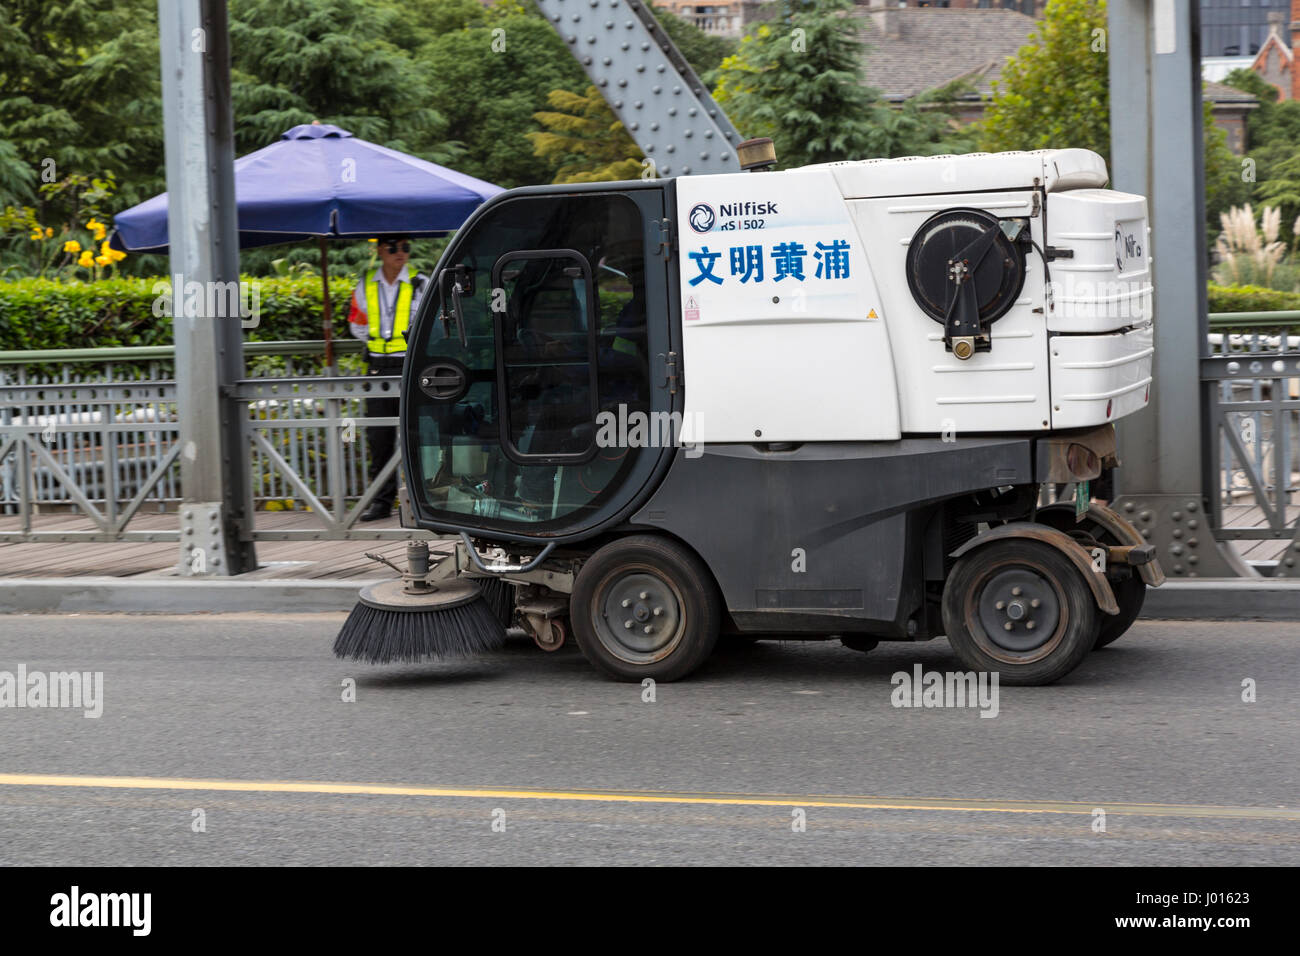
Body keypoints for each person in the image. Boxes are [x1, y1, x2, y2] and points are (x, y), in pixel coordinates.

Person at [347, 234, 428, 521]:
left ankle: (422, 504)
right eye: (393, 247)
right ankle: (381, 503)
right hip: (377, 368)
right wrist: (377, 343)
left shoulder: (420, 282)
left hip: (409, 367)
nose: (400, 253)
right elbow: (356, 324)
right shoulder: (366, 283)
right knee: (378, 438)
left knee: (415, 437)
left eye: (406, 247)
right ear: (380, 250)